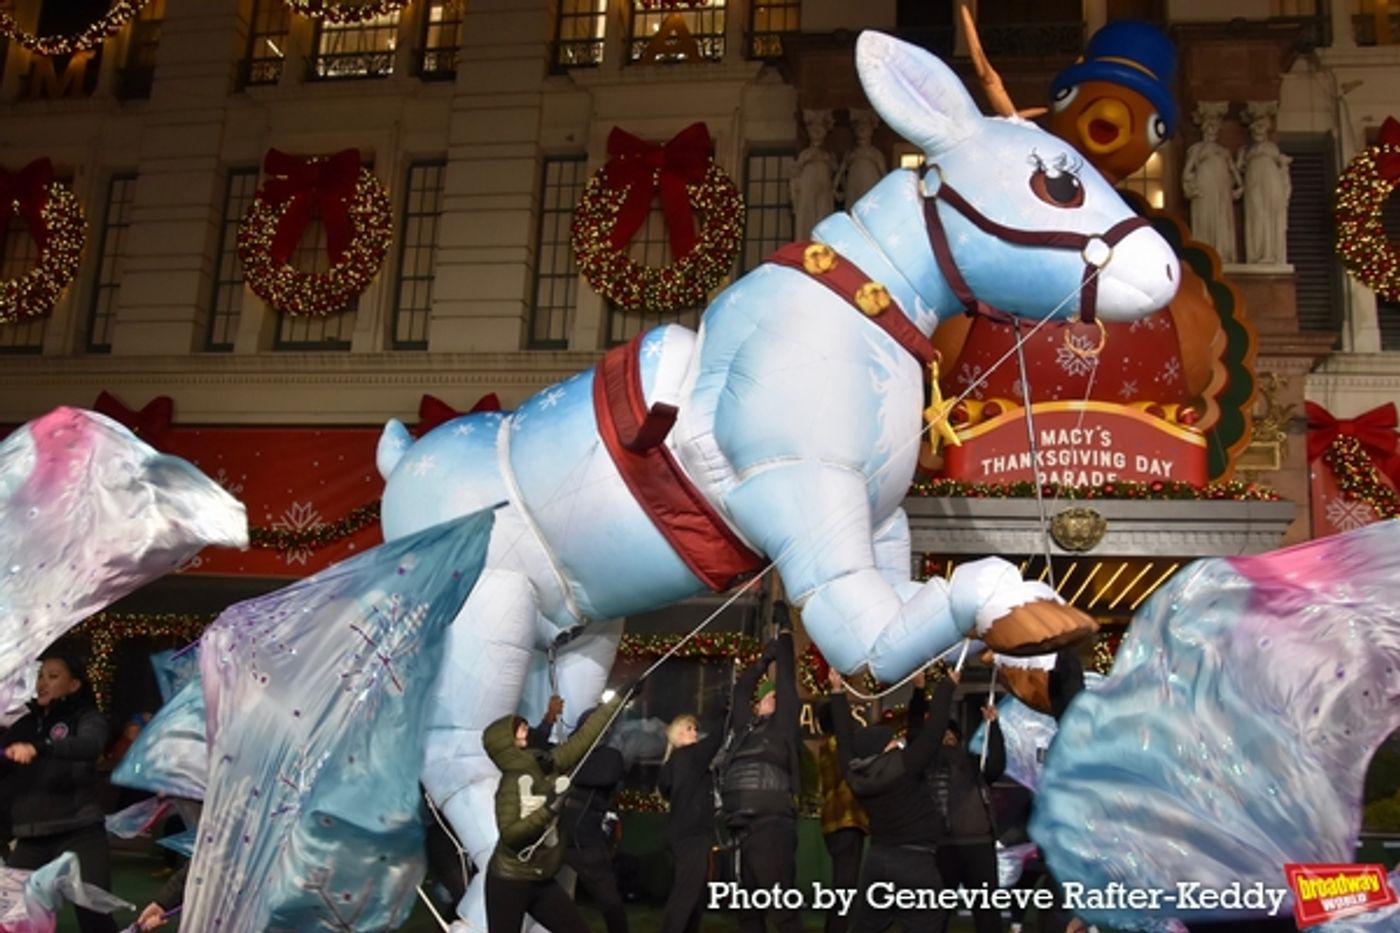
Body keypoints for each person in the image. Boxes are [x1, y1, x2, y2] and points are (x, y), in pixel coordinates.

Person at [481, 688, 627, 933]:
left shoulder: (544, 763)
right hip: (510, 880)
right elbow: (510, 835)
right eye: (518, 727)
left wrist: (618, 701)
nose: (525, 727)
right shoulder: (511, 783)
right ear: (507, 743)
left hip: (541, 878)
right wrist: (548, 809)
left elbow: (583, 740)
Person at [828, 666, 958, 933]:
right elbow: (933, 735)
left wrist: (837, 692)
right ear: (884, 748)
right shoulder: (904, 765)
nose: (896, 742)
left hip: (877, 861)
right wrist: (946, 687)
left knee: (869, 926)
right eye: (891, 741)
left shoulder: (855, 774)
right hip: (915, 863)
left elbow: (844, 741)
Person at [0, 650, 118, 933]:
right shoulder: (23, 725)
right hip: (32, 838)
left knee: (94, 915)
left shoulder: (87, 718)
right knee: (11, 916)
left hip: (80, 833)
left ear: (74, 684)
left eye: (53, 676)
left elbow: (91, 745)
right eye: (40, 675)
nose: (42, 682)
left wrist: (41, 748)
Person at [716, 604, 801, 933]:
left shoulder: (782, 728)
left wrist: (784, 638)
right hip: (741, 829)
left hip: (772, 828)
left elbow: (788, 681)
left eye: (776, 698)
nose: (773, 700)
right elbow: (741, 690)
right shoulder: (743, 729)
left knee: (781, 911)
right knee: (749, 915)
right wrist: (763, 659)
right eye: (767, 697)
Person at [911, 671, 1006, 933]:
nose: (948, 738)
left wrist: (993, 726)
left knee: (987, 914)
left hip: (979, 845)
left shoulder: (974, 763)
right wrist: (919, 693)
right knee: (935, 915)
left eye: (952, 734)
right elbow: (915, 734)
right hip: (944, 846)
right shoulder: (926, 763)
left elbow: (996, 765)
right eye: (943, 734)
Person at [559, 706, 629, 933]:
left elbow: (603, 774)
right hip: (554, 832)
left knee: (609, 900)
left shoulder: (609, 756)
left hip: (585, 837)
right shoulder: (566, 752)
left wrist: (566, 771)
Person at [658, 712, 724, 933]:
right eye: (688, 728)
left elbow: (666, 790)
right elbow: (717, 737)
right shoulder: (690, 757)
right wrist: (730, 708)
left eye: (695, 728)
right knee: (687, 894)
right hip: (693, 833)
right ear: (677, 734)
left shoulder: (671, 764)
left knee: (694, 894)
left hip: (681, 833)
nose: (694, 732)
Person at [817, 701, 868, 933]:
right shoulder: (840, 744)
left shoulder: (826, 744)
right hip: (846, 820)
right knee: (846, 887)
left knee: (844, 886)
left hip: (835, 822)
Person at [1180, 101, 1241, 263]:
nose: (1211, 130)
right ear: (1204, 129)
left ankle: (1222, 253)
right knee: (1206, 216)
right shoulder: (1197, 149)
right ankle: (1206, 253)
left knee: (1221, 217)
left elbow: (1235, 174)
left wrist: (1239, 188)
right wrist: (1189, 185)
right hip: (1204, 185)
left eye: (1215, 127)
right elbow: (1188, 170)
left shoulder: (1224, 151)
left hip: (1222, 187)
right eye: (1209, 127)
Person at [1237, 101, 1291, 266]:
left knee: (1270, 214)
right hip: (1253, 182)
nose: (1258, 131)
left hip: (1270, 180)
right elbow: (1238, 168)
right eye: (1255, 128)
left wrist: (1283, 167)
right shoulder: (1245, 151)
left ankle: (1270, 254)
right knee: (1256, 215)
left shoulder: (1271, 148)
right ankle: (1258, 253)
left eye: (1261, 127)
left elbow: (1282, 168)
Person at [791, 109, 838, 240]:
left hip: (824, 187)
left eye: (820, 129)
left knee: (823, 212)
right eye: (814, 130)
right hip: (808, 184)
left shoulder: (828, 155)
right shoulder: (805, 154)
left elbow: (835, 170)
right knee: (807, 212)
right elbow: (795, 172)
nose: (817, 133)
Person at [836, 108, 887, 210]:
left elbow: (884, 174)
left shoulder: (875, 153)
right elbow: (840, 173)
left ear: (871, 131)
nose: (862, 130)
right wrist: (843, 188)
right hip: (853, 185)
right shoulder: (850, 153)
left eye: (865, 127)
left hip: (870, 184)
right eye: (859, 127)